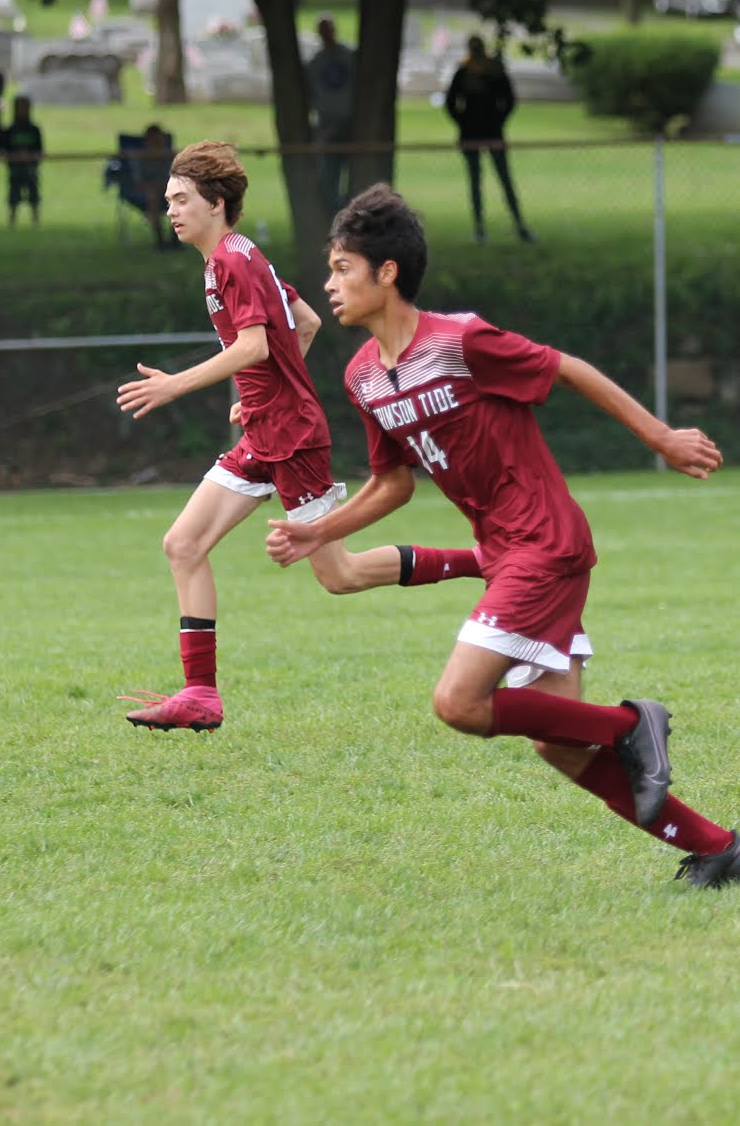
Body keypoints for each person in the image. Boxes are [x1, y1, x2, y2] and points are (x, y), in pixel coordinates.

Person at [265, 183, 740, 888]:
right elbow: (393, 483)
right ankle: (716, 847)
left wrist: (662, 437)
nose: (330, 284)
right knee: (558, 745)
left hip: (544, 541)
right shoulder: (364, 377)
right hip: (509, 555)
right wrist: (319, 532)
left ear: (388, 273)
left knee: (458, 702)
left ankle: (629, 725)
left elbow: (569, 368)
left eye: (343, 268)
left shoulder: (460, 341)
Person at [115, 144, 482, 733]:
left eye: (181, 201)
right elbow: (303, 323)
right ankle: (200, 695)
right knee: (183, 545)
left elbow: (258, 344)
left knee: (341, 575)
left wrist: (178, 385)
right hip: (268, 428)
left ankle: (485, 560)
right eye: (168, 203)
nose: (171, 213)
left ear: (216, 203)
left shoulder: (234, 262)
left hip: (291, 438)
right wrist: (260, 395)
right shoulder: (233, 259)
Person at [445, 35, 532, 244]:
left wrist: (497, 121)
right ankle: (480, 228)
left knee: (504, 179)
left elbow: (509, 100)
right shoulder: (464, 72)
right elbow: (451, 102)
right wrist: (464, 123)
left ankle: (519, 225)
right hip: (473, 134)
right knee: (476, 181)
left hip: (492, 133)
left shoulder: (494, 72)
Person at [306, 17, 356, 217]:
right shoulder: (316, 62)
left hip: (352, 124)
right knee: (330, 175)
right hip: (327, 124)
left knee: (354, 176)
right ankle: (335, 215)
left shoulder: (349, 57)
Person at [1, 94, 44, 228]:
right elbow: (5, 150)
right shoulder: (10, 130)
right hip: (15, 169)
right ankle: (12, 221)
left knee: (34, 195)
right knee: (14, 195)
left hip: (31, 168)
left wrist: (31, 157)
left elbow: (40, 150)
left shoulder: (34, 130)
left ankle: (35, 221)